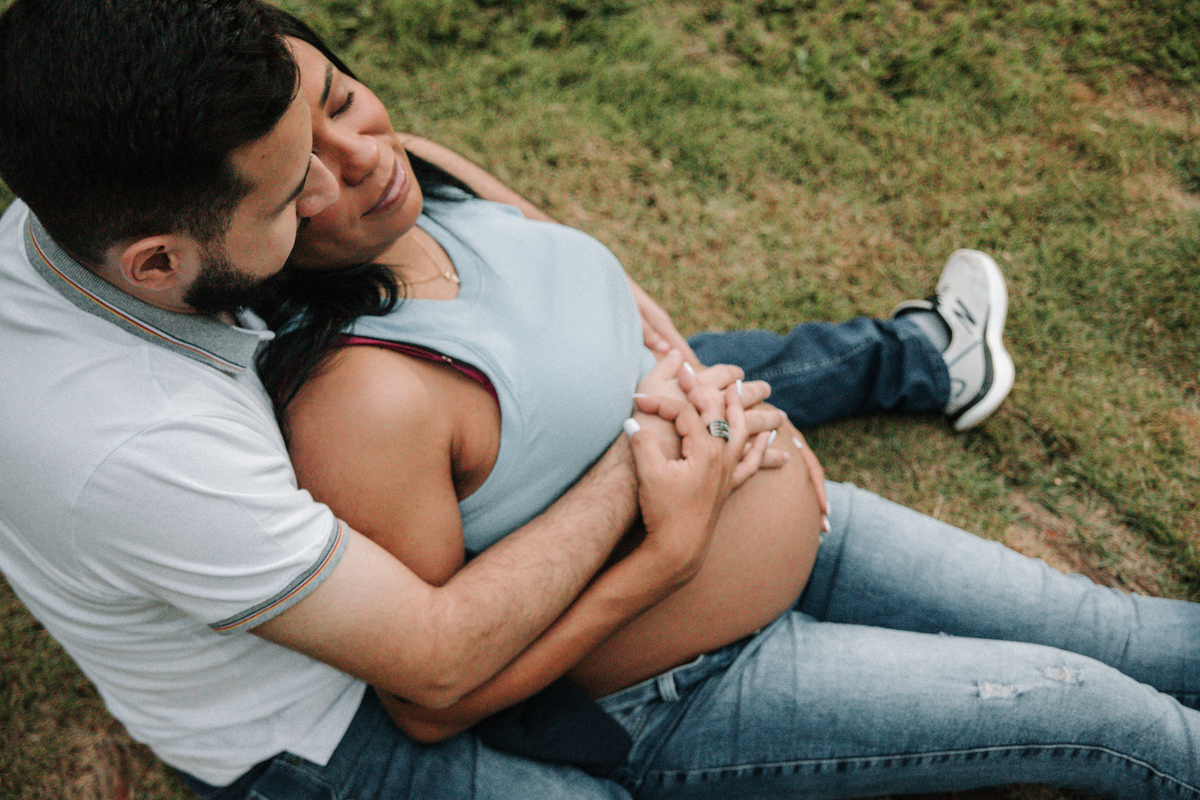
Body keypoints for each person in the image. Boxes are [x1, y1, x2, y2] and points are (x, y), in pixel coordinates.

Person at [252, 10, 1200, 800]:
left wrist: (739, 408)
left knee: (1116, 629)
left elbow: (611, 299)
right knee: (1098, 710)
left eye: (341, 100)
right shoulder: (360, 398)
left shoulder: (422, 171)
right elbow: (434, 699)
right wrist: (668, 556)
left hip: (802, 521)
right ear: (253, 225)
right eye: (306, 174)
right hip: (684, 684)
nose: (361, 156)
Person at [0, 2, 765, 799]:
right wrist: (641, 449)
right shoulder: (147, 448)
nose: (333, 186)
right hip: (315, 730)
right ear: (157, 265)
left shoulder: (104, 169)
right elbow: (435, 664)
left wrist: (595, 282)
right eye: (293, 192)